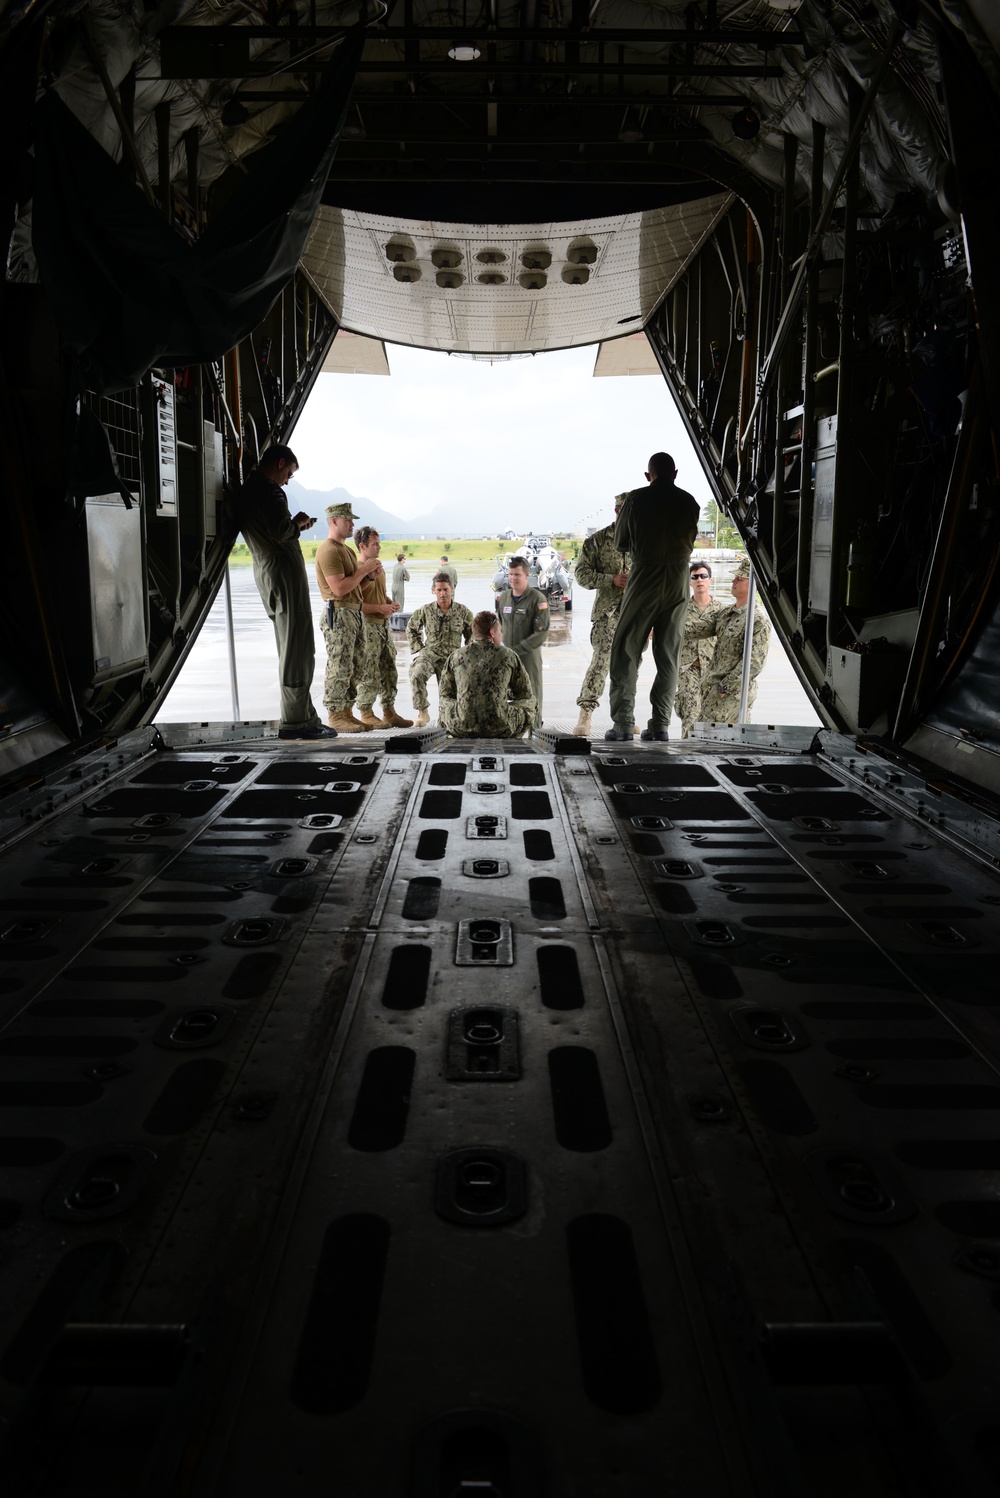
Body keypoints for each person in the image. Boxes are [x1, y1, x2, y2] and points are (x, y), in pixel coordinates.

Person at [236, 445, 335, 739]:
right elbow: (280, 531)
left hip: (267, 572)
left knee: (290, 644)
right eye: (289, 473)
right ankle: (296, 722)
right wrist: (298, 524)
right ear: (280, 463)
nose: (287, 480)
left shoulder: (247, 490)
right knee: (298, 648)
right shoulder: (271, 492)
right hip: (284, 573)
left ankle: (305, 715)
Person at [606, 452, 700, 743]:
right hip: (677, 580)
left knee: (626, 651)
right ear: (675, 473)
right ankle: (660, 725)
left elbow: (621, 543)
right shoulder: (689, 502)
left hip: (644, 577)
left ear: (649, 476)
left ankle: (623, 724)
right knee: (669, 654)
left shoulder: (635, 500)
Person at [315, 501, 382, 734]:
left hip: (353, 611)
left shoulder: (346, 550)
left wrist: (369, 577)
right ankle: (335, 715)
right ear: (334, 521)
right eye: (348, 520)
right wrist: (363, 570)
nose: (352, 524)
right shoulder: (328, 550)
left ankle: (346, 712)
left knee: (355, 665)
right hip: (340, 611)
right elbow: (339, 589)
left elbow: (355, 588)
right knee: (340, 665)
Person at [687, 557, 772, 725]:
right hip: (713, 688)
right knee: (719, 739)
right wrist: (661, 629)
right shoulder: (726, 613)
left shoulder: (757, 620)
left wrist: (725, 687)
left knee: (703, 734)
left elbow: (754, 663)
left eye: (740, 579)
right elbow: (697, 628)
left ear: (753, 585)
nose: (734, 581)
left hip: (731, 694)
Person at [571, 493, 630, 737]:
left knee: (629, 667)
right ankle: (585, 714)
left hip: (635, 613)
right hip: (608, 614)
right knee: (601, 663)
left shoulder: (645, 541)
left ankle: (625, 718)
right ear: (617, 512)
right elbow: (582, 575)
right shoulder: (597, 541)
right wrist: (611, 580)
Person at [438, 611, 535, 739]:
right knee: (531, 701)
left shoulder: (456, 655)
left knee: (444, 703)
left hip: (460, 727)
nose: (502, 634)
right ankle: (515, 737)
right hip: (501, 727)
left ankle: (450, 733)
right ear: (492, 633)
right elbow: (524, 693)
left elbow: (445, 693)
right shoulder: (508, 655)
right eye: (500, 631)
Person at [353, 527, 413, 729]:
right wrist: (381, 607)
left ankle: (389, 711)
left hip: (383, 626)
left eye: (379, 543)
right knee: (369, 672)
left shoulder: (378, 567)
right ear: (362, 546)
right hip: (368, 625)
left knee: (389, 670)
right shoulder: (358, 569)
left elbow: (378, 592)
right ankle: (366, 712)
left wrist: (389, 603)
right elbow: (355, 603)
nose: (379, 547)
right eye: (374, 544)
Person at [406, 574, 474, 727]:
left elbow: (472, 634)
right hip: (430, 655)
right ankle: (423, 712)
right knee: (416, 674)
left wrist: (466, 655)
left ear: (452, 589)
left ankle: (449, 717)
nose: (443, 593)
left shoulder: (463, 612)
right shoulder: (425, 610)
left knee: (454, 691)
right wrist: (420, 649)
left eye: (446, 589)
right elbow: (411, 628)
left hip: (452, 658)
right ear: (433, 591)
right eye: (439, 590)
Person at [674, 560, 727, 737]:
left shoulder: (722, 611)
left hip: (713, 670)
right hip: (688, 667)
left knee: (712, 715)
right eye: (695, 577)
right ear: (689, 582)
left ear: (710, 580)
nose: (699, 580)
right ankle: (686, 749)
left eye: (704, 576)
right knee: (690, 711)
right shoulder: (680, 609)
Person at [496, 555, 549, 727]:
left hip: (528, 656)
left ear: (527, 575)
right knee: (503, 691)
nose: (512, 578)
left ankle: (535, 727)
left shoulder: (537, 599)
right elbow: (499, 626)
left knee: (532, 691)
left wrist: (518, 650)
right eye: (510, 574)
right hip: (506, 656)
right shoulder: (503, 598)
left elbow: (541, 633)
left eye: (517, 575)